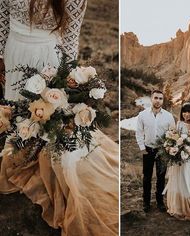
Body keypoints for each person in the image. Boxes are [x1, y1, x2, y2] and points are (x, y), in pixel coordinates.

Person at [0, 1, 119, 235]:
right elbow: (2, 16)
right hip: (14, 51)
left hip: (48, 59)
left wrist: (68, 80)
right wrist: (0, 55)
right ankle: (22, 151)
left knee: (46, 120)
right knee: (19, 115)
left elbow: (71, 37)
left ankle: (42, 160)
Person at [136, 90, 175, 212]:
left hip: (162, 150)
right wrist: (142, 148)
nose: (158, 100)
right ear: (151, 99)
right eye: (156, 98)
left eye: (160, 98)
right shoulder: (142, 115)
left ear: (163, 101)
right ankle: (146, 202)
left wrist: (169, 148)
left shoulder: (168, 116)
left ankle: (160, 202)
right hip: (147, 149)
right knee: (147, 177)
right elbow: (139, 132)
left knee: (161, 176)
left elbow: (173, 134)